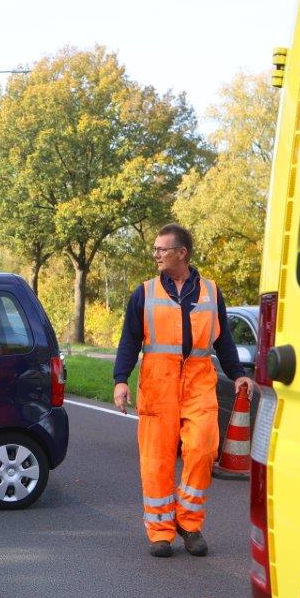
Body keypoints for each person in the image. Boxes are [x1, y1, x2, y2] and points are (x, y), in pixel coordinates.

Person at [113, 223, 254, 558]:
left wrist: (237, 374)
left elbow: (224, 339)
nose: (157, 254)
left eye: (162, 249)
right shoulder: (144, 292)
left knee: (203, 448)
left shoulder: (210, 291)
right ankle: (161, 531)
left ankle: (190, 524)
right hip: (157, 384)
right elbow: (130, 340)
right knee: (156, 458)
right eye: (156, 250)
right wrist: (121, 379)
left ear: (182, 253)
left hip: (198, 381)